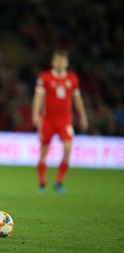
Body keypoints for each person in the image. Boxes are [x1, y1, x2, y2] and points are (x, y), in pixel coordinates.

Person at [32, 50, 88, 194]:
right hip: (48, 120)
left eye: (63, 60)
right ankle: (42, 183)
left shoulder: (72, 78)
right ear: (53, 62)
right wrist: (35, 114)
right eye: (58, 60)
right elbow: (38, 97)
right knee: (44, 152)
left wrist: (83, 116)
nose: (60, 63)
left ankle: (59, 181)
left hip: (65, 120)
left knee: (68, 149)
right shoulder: (45, 77)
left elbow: (77, 99)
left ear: (67, 63)